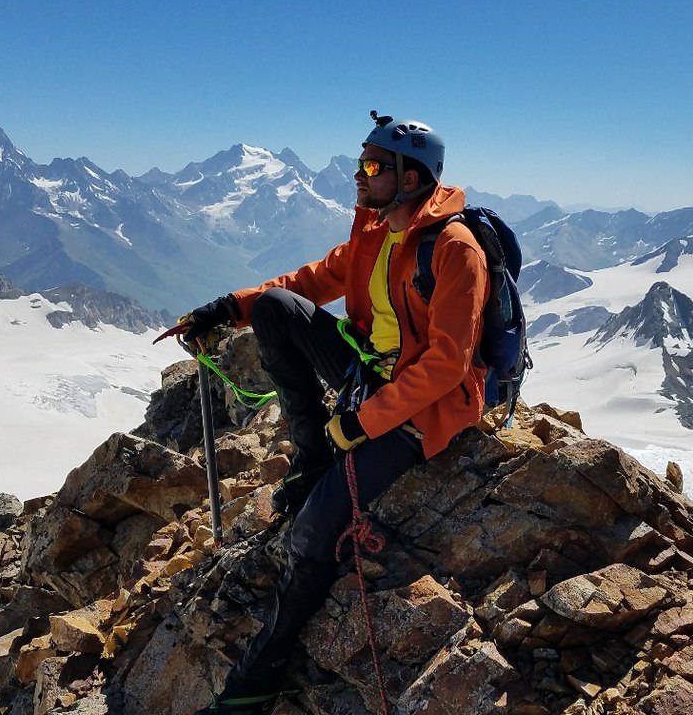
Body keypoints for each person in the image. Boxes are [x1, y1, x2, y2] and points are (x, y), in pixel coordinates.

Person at [184, 112, 489, 713]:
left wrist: (362, 421)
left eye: (372, 166)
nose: (358, 175)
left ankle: (257, 681)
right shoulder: (375, 232)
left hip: (421, 410)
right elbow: (309, 282)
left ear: (410, 179)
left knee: (316, 530)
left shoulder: (456, 252)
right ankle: (310, 458)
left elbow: (447, 365)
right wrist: (226, 309)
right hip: (368, 377)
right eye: (362, 162)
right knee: (276, 307)